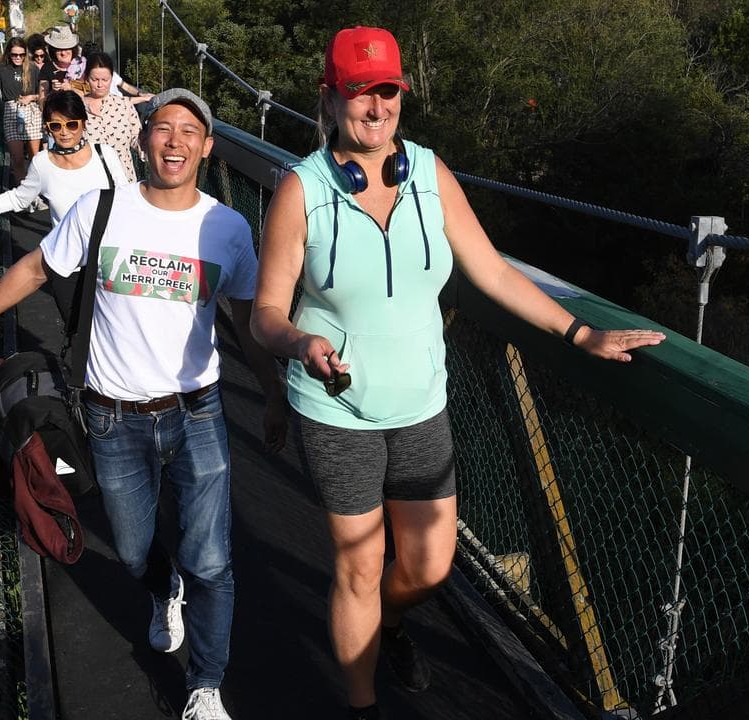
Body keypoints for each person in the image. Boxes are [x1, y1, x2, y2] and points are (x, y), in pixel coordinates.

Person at [249, 26, 666, 720]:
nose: (377, 107)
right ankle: (361, 704)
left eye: (388, 91)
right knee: (357, 566)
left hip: (420, 406)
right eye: (360, 92)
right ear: (330, 98)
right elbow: (265, 313)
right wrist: (299, 342)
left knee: (429, 566)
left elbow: (493, 273)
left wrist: (580, 333)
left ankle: (386, 622)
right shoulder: (302, 190)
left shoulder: (430, 175)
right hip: (336, 409)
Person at [0, 88, 287, 720]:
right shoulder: (103, 209)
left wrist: (272, 394)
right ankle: (163, 587)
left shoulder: (227, 228)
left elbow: (245, 318)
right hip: (112, 416)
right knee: (133, 550)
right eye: (164, 128)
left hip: (197, 413)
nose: (176, 141)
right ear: (143, 139)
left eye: (190, 131)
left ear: (207, 148)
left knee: (213, 561)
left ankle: (206, 685)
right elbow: (35, 269)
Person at [0, 90, 129, 226]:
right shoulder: (42, 163)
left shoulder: (105, 155)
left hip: (109, 256)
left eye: (72, 124)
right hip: (67, 261)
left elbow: (128, 198)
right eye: (56, 126)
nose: (64, 132)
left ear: (84, 124)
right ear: (47, 128)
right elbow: (19, 198)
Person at [0, 38, 43, 184]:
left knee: (35, 158)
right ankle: (22, 190)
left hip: (32, 111)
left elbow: (42, 94)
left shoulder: (33, 68)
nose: (18, 58)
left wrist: (31, 97)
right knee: (17, 159)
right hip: (11, 112)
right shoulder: (2, 69)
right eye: (14, 54)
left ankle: (36, 187)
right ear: (8, 54)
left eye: (21, 54)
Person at [71, 52, 142, 181]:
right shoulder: (75, 108)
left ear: (112, 78)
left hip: (125, 182)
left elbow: (138, 140)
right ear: (86, 78)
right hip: (90, 183)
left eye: (105, 80)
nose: (100, 85)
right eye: (94, 80)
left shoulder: (125, 105)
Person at [42, 25, 83, 94]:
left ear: (73, 49)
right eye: (59, 49)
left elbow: (92, 93)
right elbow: (41, 98)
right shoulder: (47, 68)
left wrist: (72, 89)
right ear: (53, 50)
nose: (63, 53)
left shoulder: (82, 66)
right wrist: (52, 92)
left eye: (67, 48)